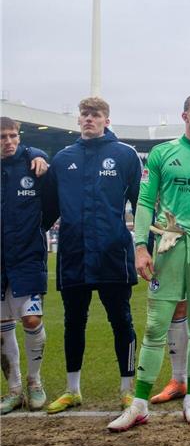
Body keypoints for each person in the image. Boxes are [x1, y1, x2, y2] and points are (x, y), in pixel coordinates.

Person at [107, 93, 190, 431]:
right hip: (169, 247)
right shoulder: (162, 153)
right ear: (185, 116)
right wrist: (141, 246)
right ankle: (138, 405)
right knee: (155, 326)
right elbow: (144, 202)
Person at [41, 97, 141, 414]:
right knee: (73, 323)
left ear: (106, 120)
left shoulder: (125, 155)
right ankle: (72, 390)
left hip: (113, 254)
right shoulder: (63, 159)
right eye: (84, 114)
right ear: (78, 119)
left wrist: (146, 247)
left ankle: (127, 390)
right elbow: (48, 211)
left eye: (95, 114)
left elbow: (141, 204)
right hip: (74, 254)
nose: (89, 119)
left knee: (122, 321)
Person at [0, 116, 50, 414]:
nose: (8, 141)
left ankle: (35, 382)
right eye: (2, 137)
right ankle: (14, 389)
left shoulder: (33, 164)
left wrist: (36, 230)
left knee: (31, 320)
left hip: (27, 257)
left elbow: (52, 205)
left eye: (12, 135)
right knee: (2, 327)